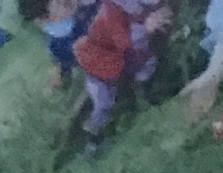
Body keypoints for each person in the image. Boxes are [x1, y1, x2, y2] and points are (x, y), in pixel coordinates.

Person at [73, 0, 173, 147]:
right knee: (104, 102)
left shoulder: (114, 12)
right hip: (108, 63)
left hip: (114, 59)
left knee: (105, 99)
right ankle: (93, 136)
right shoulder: (111, 14)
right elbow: (125, 42)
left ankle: (95, 130)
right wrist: (145, 27)